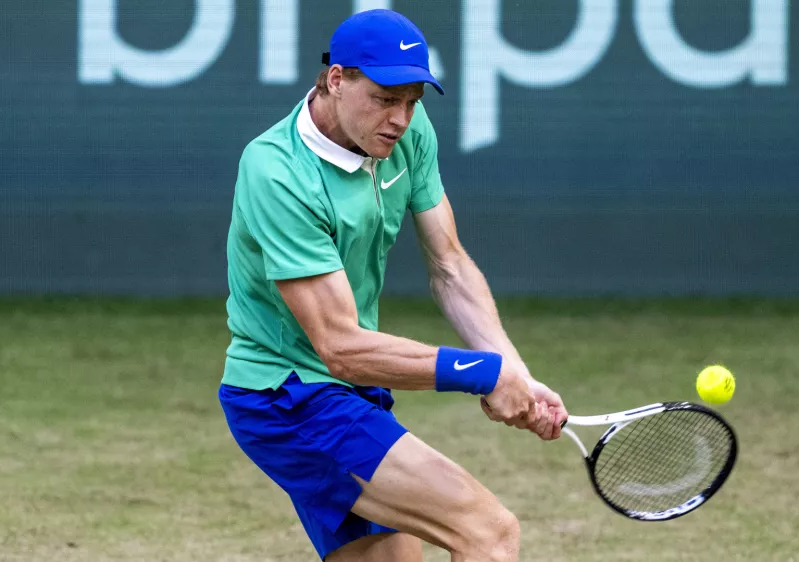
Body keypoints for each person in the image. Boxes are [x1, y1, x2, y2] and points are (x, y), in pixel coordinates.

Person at [218, 9, 568, 562]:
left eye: (412, 101)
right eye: (385, 98)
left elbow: (449, 265)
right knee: (487, 532)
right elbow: (341, 347)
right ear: (337, 80)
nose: (401, 118)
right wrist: (481, 373)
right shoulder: (278, 172)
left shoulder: (405, 132)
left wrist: (512, 368)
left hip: (345, 394)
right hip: (289, 398)